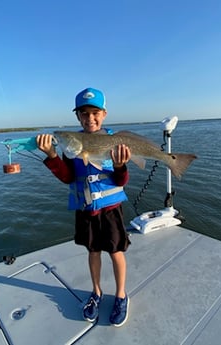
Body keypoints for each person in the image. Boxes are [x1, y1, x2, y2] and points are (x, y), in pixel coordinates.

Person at [37, 87, 131, 327]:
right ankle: (96, 293)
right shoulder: (73, 144)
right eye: (84, 113)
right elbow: (68, 177)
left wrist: (120, 166)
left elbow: (120, 181)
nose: (90, 118)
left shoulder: (114, 142)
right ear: (78, 117)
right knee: (93, 251)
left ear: (104, 114)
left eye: (95, 112)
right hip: (86, 208)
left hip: (110, 209)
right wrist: (51, 154)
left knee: (116, 252)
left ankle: (121, 295)